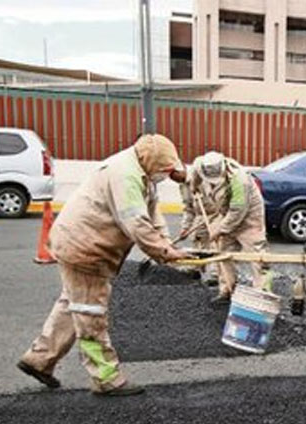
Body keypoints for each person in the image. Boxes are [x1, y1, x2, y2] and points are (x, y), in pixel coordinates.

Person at [17, 134, 192, 396]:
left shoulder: (141, 172)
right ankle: (106, 378)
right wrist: (164, 253)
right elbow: (136, 223)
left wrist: (169, 247)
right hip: (85, 249)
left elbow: (153, 217)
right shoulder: (125, 176)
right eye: (164, 171)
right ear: (151, 162)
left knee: (71, 304)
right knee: (90, 313)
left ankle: (39, 359)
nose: (165, 176)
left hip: (82, 244)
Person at [196, 151, 269, 302]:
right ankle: (227, 289)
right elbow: (195, 183)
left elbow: (238, 211)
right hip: (227, 213)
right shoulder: (201, 168)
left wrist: (220, 229)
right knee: (224, 252)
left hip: (250, 217)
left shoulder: (239, 179)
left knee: (257, 256)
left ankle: (262, 293)